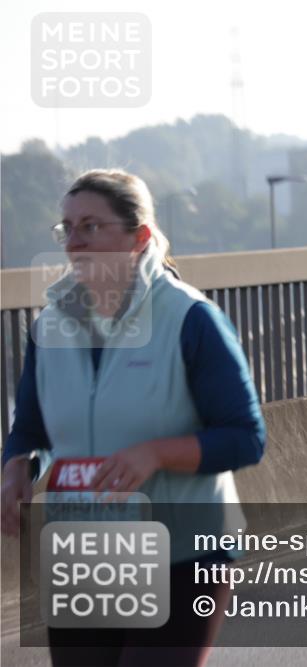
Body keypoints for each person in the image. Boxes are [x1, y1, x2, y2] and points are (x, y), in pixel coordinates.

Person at [0, 169, 267, 666]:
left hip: (184, 554)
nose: (74, 242)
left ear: (138, 237)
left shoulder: (190, 318)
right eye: (67, 228)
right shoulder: (49, 327)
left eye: (91, 227)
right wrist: (17, 466)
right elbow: (31, 429)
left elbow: (246, 438)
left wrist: (156, 454)